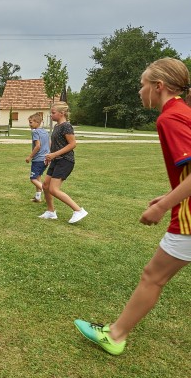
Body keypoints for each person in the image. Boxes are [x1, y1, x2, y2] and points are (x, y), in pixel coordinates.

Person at [75, 57, 191, 356]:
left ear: (158, 86)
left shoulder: (170, 118)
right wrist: (168, 194)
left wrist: (163, 205)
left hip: (189, 220)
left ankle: (115, 335)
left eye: (142, 85)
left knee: (154, 276)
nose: (140, 92)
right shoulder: (183, 113)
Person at [38, 102, 87, 223]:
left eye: (53, 113)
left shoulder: (66, 126)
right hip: (56, 160)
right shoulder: (57, 127)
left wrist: (54, 154)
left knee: (54, 189)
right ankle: (51, 212)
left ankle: (78, 210)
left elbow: (72, 144)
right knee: (45, 186)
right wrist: (50, 156)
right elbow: (56, 145)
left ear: (62, 113)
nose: (51, 115)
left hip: (65, 161)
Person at [25, 112, 50, 202]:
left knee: (33, 179)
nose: (29, 124)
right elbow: (49, 144)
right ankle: (38, 197)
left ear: (37, 122)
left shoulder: (35, 132)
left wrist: (30, 157)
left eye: (31, 122)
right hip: (45, 159)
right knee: (38, 177)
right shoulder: (45, 132)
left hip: (38, 159)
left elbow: (38, 146)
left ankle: (46, 190)